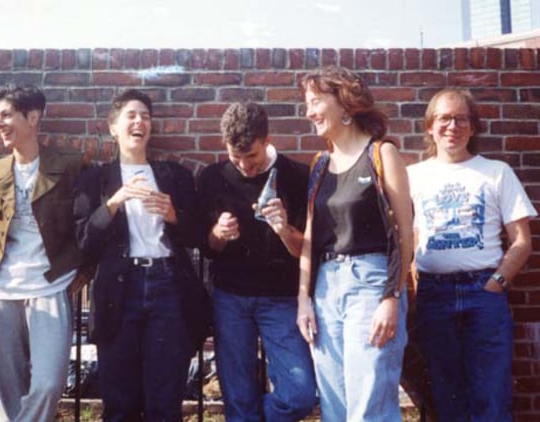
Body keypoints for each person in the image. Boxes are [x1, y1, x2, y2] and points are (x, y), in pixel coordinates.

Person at [73, 89, 210, 421]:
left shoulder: (173, 176)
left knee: (165, 399)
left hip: (167, 285)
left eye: (146, 116)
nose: (140, 122)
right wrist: (113, 203)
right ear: (113, 127)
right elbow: (82, 241)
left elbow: (197, 237)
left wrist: (174, 215)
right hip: (119, 290)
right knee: (120, 400)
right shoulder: (95, 178)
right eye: (131, 116)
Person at [408, 88, 536, 421]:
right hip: (434, 295)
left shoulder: (497, 172)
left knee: (491, 394)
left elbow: (522, 241)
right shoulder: (412, 177)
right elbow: (404, 236)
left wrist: (496, 282)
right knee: (446, 394)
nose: (453, 126)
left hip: (484, 294)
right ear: (429, 127)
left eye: (461, 118)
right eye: (444, 118)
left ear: (473, 127)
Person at [296, 65, 413, 421]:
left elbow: (405, 234)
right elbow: (311, 237)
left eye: (316, 102)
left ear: (345, 104)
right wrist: (304, 298)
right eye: (306, 104)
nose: (309, 112)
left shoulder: (382, 155)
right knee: (334, 404)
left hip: (372, 282)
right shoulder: (319, 165)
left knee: (369, 403)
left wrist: (392, 296)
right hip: (325, 288)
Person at [0, 85, 89, 422]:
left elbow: (89, 224)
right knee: (8, 391)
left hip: (50, 286)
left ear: (33, 117)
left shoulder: (69, 166)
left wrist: (88, 268)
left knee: (49, 384)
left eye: (6, 115)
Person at [197, 102, 316, 421]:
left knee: (299, 395)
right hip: (230, 298)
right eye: (236, 158)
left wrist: (284, 229)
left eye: (251, 157)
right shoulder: (212, 178)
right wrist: (218, 234)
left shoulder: (298, 177)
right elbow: (207, 248)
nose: (245, 167)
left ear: (267, 139)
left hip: (282, 299)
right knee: (238, 398)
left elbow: (307, 251)